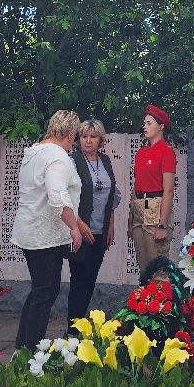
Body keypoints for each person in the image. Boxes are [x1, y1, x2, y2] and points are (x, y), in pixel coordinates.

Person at [11, 109, 94, 350]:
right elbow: (57, 195)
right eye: (76, 138)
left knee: (40, 290)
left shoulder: (34, 153)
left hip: (31, 231)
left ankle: (22, 347)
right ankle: (32, 351)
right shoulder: (57, 157)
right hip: (44, 235)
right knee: (46, 292)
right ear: (69, 135)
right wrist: (74, 228)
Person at [69, 119, 120, 329]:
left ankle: (81, 325)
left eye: (93, 136)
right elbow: (67, 198)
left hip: (101, 229)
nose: (88, 141)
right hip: (80, 230)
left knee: (90, 279)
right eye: (84, 136)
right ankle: (72, 328)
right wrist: (79, 225)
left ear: (101, 140)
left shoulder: (105, 161)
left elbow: (112, 196)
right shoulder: (73, 161)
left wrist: (111, 225)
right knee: (79, 278)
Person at [128, 105, 176, 275]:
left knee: (157, 267)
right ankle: (146, 302)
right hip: (139, 209)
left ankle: (161, 301)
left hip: (156, 208)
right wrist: (130, 220)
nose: (145, 127)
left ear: (161, 127)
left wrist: (162, 224)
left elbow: (168, 190)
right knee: (144, 268)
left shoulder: (166, 152)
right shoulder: (141, 152)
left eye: (149, 123)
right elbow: (136, 186)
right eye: (144, 123)